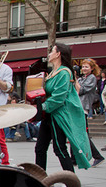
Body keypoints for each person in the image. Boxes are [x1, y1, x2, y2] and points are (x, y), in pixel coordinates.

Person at [34, 43, 91, 171]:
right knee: (40, 148)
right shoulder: (54, 72)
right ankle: (40, 177)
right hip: (49, 114)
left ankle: (71, 179)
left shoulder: (64, 73)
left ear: (58, 54)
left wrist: (41, 107)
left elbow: (58, 98)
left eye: (52, 51)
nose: (49, 54)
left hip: (58, 115)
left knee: (59, 149)